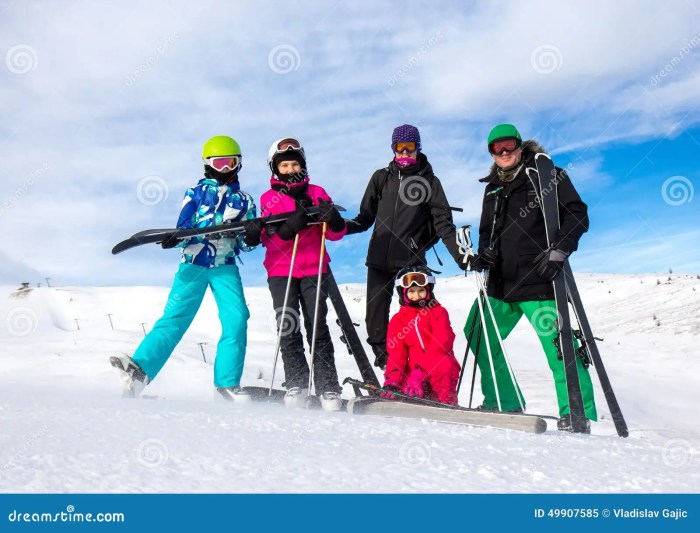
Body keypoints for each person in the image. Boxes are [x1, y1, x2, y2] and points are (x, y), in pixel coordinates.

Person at [464, 123, 597, 432]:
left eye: (508, 145)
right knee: (477, 333)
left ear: (520, 145)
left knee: (560, 348)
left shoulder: (547, 174)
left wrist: (560, 249)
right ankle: (503, 400)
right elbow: (487, 233)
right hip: (499, 284)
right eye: (496, 148)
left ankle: (577, 413)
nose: (504, 152)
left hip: (539, 282)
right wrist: (485, 254)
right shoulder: (492, 188)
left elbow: (577, 213)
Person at [112, 135, 257, 402]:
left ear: (239, 164)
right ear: (208, 164)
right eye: (220, 163)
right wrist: (176, 238)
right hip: (193, 264)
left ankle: (227, 385)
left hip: (225, 267)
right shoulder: (195, 193)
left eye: (231, 163)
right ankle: (139, 372)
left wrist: (252, 236)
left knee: (236, 319)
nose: (226, 169)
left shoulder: (245, 200)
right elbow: (184, 225)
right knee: (176, 318)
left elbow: (247, 244)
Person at [345, 124, 465, 370]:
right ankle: (391, 369)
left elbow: (444, 224)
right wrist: (337, 226)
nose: (404, 153)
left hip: (411, 263)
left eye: (409, 147)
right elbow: (363, 219)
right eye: (399, 148)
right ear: (393, 149)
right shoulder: (381, 178)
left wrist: (461, 257)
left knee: (417, 323)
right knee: (375, 321)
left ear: (418, 148)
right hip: (378, 260)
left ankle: (422, 373)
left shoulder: (429, 181)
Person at [242, 137, 346, 412]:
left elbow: (335, 233)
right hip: (281, 270)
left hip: (314, 268)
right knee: (288, 324)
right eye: (285, 165)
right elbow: (266, 237)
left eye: (295, 163)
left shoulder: (317, 191)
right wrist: (288, 229)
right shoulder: (268, 199)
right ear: (275, 169)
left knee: (317, 325)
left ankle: (328, 387)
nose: (290, 169)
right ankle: (296, 383)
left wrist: (333, 220)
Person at [382, 266, 461, 405]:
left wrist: (420, 373)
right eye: (411, 292)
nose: (416, 296)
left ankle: (447, 404)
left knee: (445, 365)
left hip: (437, 372)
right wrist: (392, 381)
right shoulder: (398, 320)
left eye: (421, 291)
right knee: (400, 384)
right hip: (412, 376)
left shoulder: (438, 312)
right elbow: (396, 353)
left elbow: (441, 345)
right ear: (403, 293)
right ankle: (403, 402)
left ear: (428, 291)